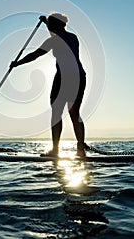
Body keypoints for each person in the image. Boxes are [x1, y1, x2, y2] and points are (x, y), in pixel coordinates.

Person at [10, 13, 86, 157]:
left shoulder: (53, 41)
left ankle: (55, 151)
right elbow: (57, 32)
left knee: (56, 113)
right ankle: (80, 150)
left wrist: (17, 63)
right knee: (75, 113)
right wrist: (46, 22)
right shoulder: (73, 37)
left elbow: (35, 54)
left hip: (64, 78)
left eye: (51, 24)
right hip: (80, 77)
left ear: (56, 25)